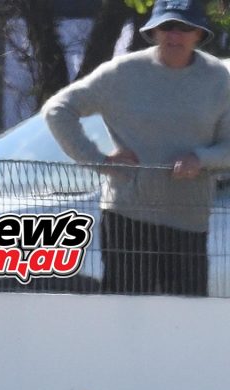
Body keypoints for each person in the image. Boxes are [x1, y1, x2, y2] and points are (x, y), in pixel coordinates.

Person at [43, 0, 230, 296]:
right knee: (124, 318)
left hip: (189, 222)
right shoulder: (123, 72)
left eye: (184, 28)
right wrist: (98, 160)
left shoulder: (219, 79)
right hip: (126, 221)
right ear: (153, 31)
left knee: (185, 322)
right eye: (166, 26)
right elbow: (58, 109)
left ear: (199, 34)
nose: (174, 35)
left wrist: (201, 159)